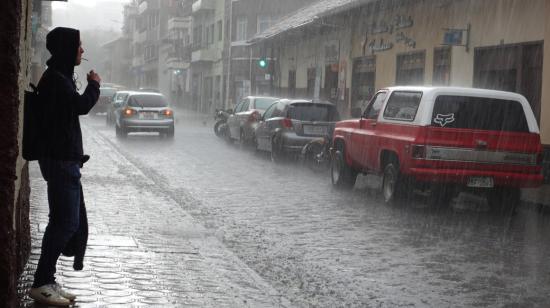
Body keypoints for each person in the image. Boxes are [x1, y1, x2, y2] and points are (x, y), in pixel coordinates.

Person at [29, 27, 101, 306]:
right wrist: (94, 84)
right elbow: (81, 106)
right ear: (67, 49)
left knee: (62, 222)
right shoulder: (57, 80)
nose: (82, 50)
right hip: (60, 162)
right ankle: (40, 283)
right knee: (66, 223)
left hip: (62, 161)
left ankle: (46, 281)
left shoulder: (58, 77)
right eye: (78, 46)